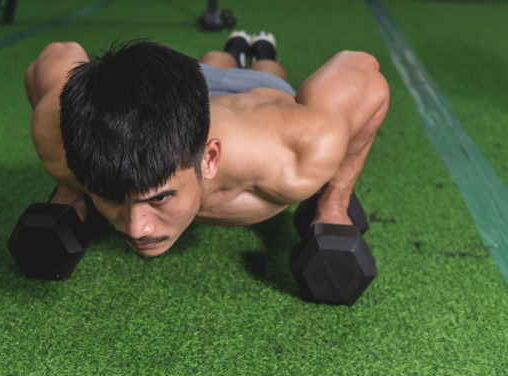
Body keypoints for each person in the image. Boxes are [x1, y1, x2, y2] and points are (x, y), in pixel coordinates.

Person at [23, 31, 389, 259]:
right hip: (192, 88)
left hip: (260, 99)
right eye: (110, 196)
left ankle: (263, 49)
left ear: (210, 158)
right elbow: (56, 53)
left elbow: (365, 74)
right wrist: (70, 189)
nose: (136, 230)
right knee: (212, 65)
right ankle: (232, 45)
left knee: (266, 72)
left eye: (160, 197)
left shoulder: (295, 152)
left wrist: (334, 200)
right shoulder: (59, 141)